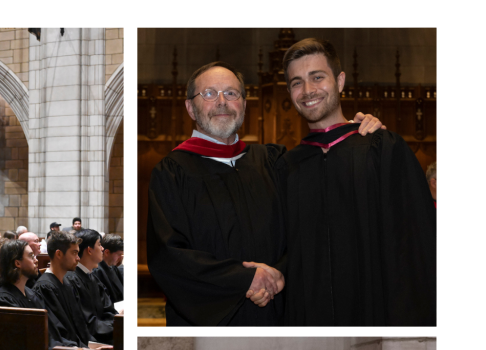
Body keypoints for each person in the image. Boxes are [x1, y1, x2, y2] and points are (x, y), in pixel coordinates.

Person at [147, 61, 383, 326]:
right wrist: (246, 279)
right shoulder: (172, 173)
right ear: (190, 107)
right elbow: (169, 256)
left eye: (232, 93)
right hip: (213, 325)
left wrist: (354, 134)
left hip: (282, 314)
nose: (222, 102)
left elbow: (315, 216)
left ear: (245, 105)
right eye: (209, 94)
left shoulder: (273, 161)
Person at [279, 38, 436, 326]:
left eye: (317, 77)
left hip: (378, 312)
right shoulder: (286, 168)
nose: (308, 90)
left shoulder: (384, 149)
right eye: (296, 82)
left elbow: (416, 247)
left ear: (340, 81)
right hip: (309, 319)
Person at [66, 229, 119, 344]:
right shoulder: (72, 280)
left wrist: (117, 322)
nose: (102, 249)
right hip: (94, 341)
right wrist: (117, 325)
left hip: (106, 331)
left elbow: (108, 309)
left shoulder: (91, 276)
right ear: (89, 250)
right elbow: (89, 323)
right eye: (99, 244)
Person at [0, 237, 45, 309]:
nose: (36, 260)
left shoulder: (30, 293)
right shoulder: (3, 301)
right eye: (31, 256)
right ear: (17, 263)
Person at [96, 233, 124, 303]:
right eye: (119, 254)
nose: (121, 257)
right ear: (107, 252)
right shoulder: (97, 271)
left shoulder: (114, 267)